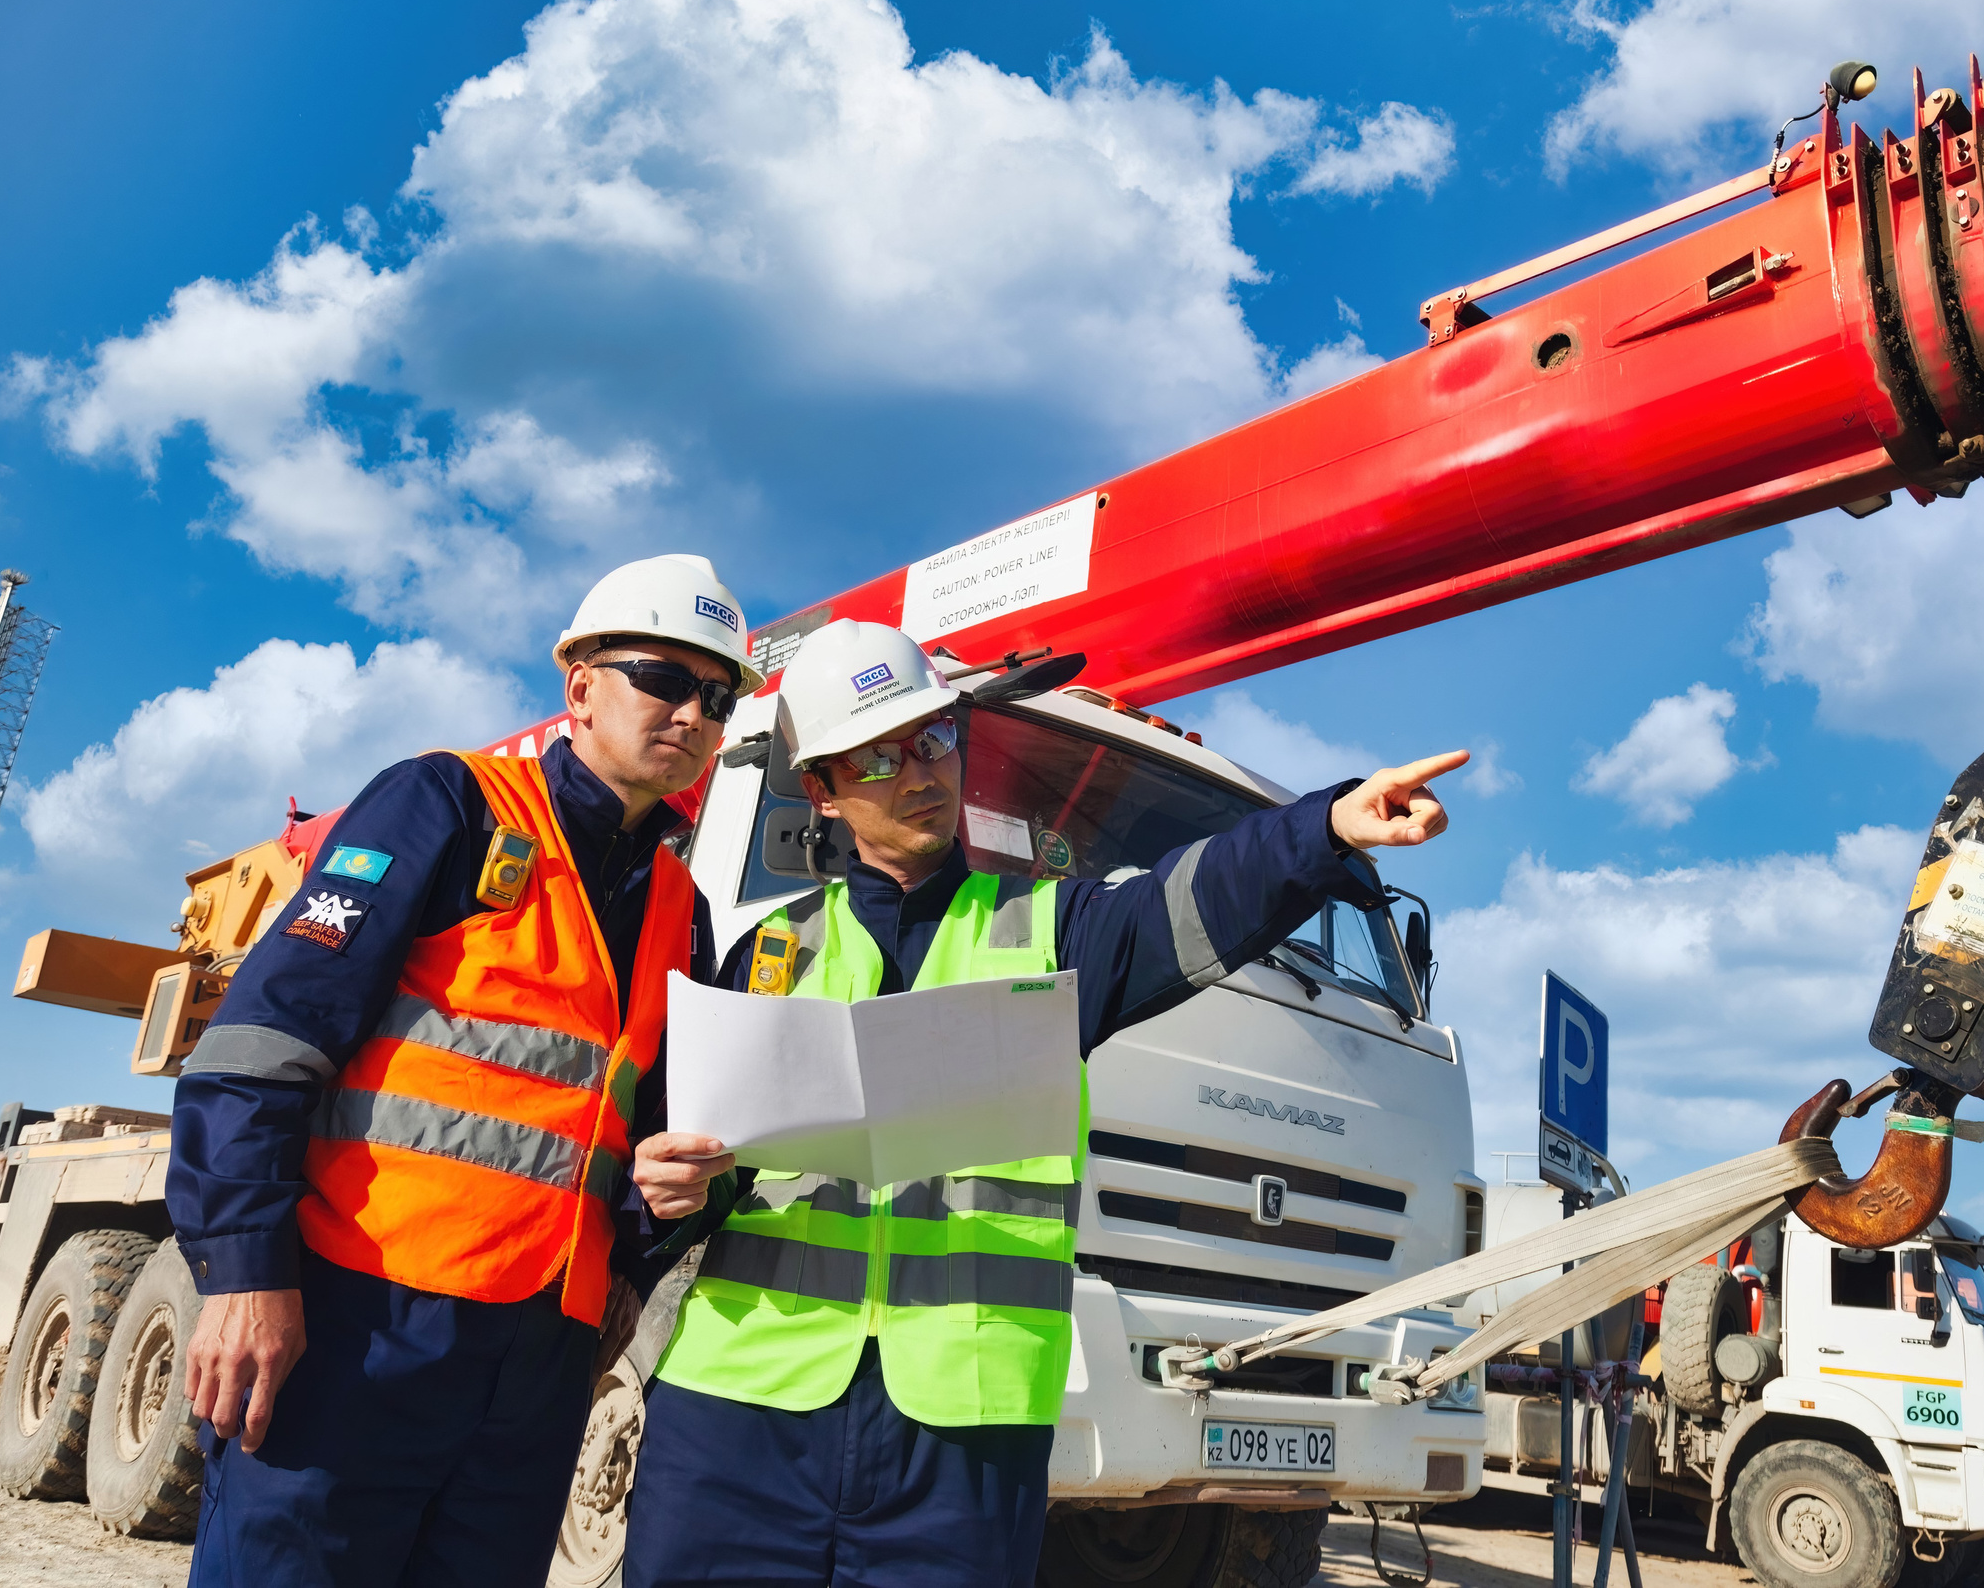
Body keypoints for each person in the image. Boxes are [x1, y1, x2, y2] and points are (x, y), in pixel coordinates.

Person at [620, 618, 1467, 1587]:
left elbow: (1191, 898)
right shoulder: (763, 958)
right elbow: (690, 1169)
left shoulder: (1052, 936)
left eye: (934, 737)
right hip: (741, 1405)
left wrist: (1323, 829)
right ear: (822, 790)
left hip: (962, 1427)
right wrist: (668, 1190)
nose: (920, 772)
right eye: (879, 757)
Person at [168, 555, 761, 1587]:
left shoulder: (685, 912)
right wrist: (246, 1272)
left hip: (536, 1367)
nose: (692, 714)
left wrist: (645, 1237)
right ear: (580, 686)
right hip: (357, 1321)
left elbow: (648, 1140)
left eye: (717, 698)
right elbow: (264, 1044)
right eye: (665, 679)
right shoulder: (447, 803)